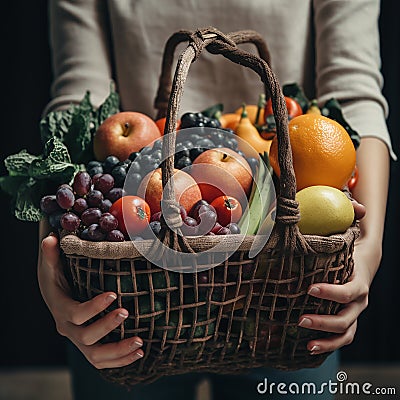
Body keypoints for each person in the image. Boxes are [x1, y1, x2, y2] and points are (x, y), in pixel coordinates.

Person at [38, 1, 395, 399]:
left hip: (283, 287)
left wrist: (369, 248)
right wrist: (54, 253)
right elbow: (76, 97)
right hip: (133, 292)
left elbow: (355, 93)